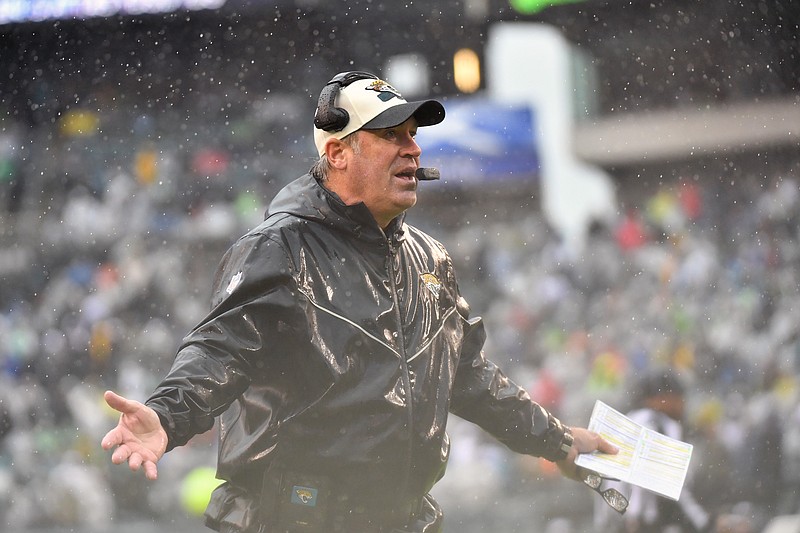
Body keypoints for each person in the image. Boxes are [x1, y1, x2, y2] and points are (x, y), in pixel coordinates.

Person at [101, 70, 617, 533]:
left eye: (413, 135)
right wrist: (167, 417)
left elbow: (468, 376)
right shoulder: (279, 247)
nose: (412, 149)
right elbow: (219, 349)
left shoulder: (429, 258)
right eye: (390, 135)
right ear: (337, 153)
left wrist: (559, 441)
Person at [594, 369, 715, 533]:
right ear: (660, 398)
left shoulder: (626, 423)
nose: (682, 403)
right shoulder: (658, 424)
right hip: (646, 524)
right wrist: (706, 524)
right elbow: (667, 486)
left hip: (616, 524)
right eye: (678, 396)